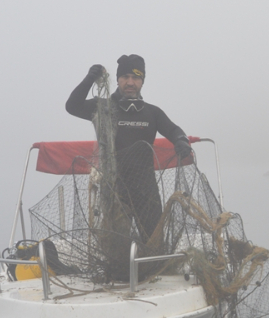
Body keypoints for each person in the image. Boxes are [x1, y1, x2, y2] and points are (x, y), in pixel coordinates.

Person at [65, 54, 191, 244]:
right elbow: (72, 106)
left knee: (154, 245)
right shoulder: (102, 107)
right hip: (114, 190)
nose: (130, 82)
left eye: (136, 77)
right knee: (117, 249)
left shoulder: (152, 112)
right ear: (117, 79)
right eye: (125, 77)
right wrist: (90, 77)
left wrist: (181, 140)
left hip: (146, 190)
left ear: (142, 81)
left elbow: (174, 130)